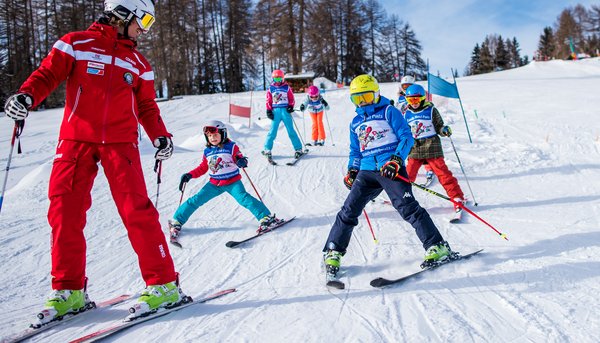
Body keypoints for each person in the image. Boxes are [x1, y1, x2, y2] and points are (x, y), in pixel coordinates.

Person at [3, 0, 186, 324]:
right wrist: (27, 96)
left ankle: (163, 284)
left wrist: (160, 135)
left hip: (121, 142)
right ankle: (69, 290)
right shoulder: (76, 43)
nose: (143, 29)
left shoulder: (138, 62)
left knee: (136, 210)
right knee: (64, 212)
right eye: (143, 19)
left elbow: (146, 105)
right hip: (76, 140)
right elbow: (48, 74)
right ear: (123, 12)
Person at [322, 74, 455, 279]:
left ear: (376, 94)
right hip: (367, 172)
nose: (363, 102)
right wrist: (352, 170)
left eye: (366, 97)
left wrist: (396, 160)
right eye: (358, 99)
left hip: (389, 168)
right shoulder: (355, 122)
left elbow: (406, 136)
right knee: (349, 210)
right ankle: (333, 251)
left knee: (408, 208)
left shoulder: (388, 111)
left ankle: (437, 245)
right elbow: (355, 151)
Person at [169, 120, 283, 241]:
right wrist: (189, 175)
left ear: (222, 134)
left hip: (232, 182)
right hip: (214, 184)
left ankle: (265, 218)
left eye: (215, 135)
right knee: (196, 200)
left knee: (244, 198)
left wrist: (241, 161)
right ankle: (177, 221)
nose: (212, 138)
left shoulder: (231, 147)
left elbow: (239, 156)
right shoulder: (207, 151)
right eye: (210, 136)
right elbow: (203, 167)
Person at [400, 84, 465, 210]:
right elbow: (405, 131)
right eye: (410, 100)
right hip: (415, 148)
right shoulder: (406, 114)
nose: (413, 103)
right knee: (408, 175)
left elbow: (439, 126)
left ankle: (457, 197)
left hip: (432, 146)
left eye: (416, 99)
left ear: (423, 98)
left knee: (443, 174)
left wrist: (444, 129)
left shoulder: (431, 110)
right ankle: (401, 197)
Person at [397, 76, 434, 183]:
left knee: (424, 147)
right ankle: (408, 169)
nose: (406, 88)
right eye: (404, 86)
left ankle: (429, 168)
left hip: (418, 125)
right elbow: (398, 110)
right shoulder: (400, 98)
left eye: (409, 86)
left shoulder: (419, 94)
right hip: (406, 124)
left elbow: (426, 103)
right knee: (408, 147)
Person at [262, 70, 305, 159]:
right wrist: (268, 110)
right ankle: (267, 149)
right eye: (275, 79)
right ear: (273, 79)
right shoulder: (271, 88)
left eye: (279, 78)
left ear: (282, 78)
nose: (277, 81)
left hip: (285, 111)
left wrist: (290, 106)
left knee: (291, 130)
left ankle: (298, 149)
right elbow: (268, 100)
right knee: (272, 131)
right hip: (275, 111)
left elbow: (291, 98)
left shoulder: (286, 88)